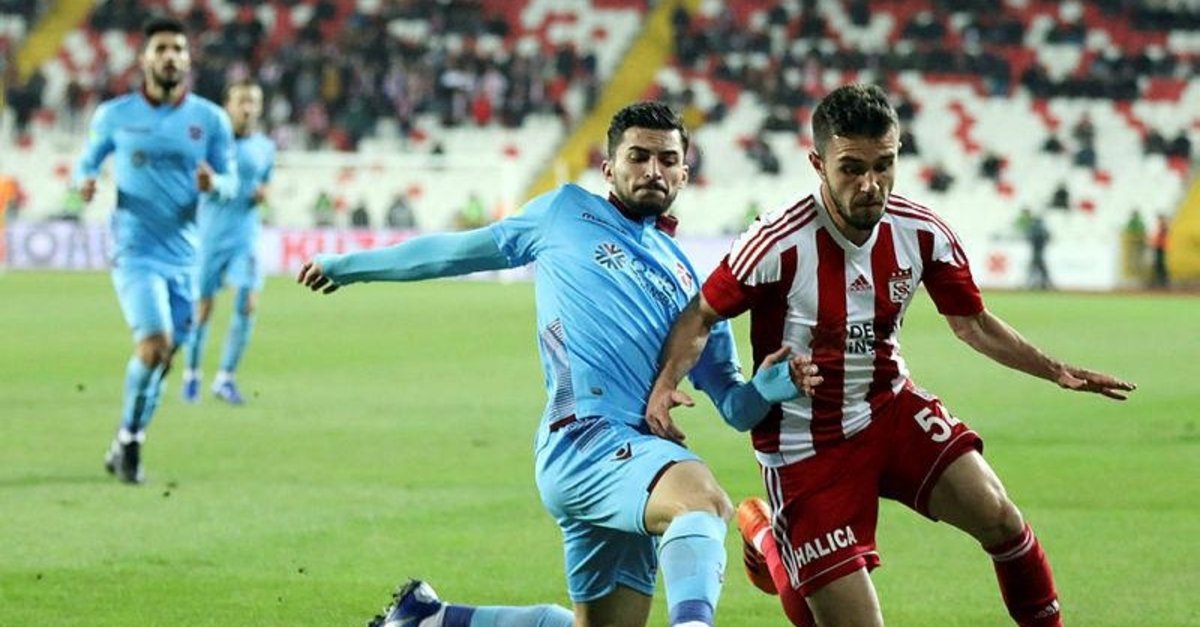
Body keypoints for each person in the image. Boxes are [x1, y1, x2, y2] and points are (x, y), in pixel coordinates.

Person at [299, 102, 807, 627]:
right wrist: (349, 266)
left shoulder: (691, 287)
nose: (652, 170)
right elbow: (457, 252)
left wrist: (768, 387)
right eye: (638, 157)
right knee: (704, 501)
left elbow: (735, 407)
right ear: (609, 168)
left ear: (684, 173)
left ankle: (431, 618)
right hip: (583, 437)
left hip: (635, 459)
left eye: (667, 159)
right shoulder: (565, 212)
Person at [646, 84, 1136, 627]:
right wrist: (667, 383)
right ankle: (766, 535)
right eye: (852, 168)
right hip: (806, 444)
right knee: (825, 616)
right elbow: (700, 315)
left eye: (884, 165)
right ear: (818, 164)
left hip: (890, 410)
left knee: (1002, 519)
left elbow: (972, 324)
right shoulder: (777, 241)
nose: (870, 184)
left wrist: (1055, 370)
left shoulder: (921, 232)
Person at [74, 16, 237, 484]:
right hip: (136, 252)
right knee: (153, 347)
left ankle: (128, 437)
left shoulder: (210, 120)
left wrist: (215, 184)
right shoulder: (114, 115)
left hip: (187, 257)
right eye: (161, 48)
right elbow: (85, 164)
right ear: (144, 57)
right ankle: (130, 443)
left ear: (188, 59)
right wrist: (85, 182)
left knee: (163, 360)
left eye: (178, 49)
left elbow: (232, 181)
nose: (170, 57)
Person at [182, 79, 275, 405]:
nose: (248, 108)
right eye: (241, 101)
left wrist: (264, 193)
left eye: (253, 102)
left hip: (245, 236)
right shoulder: (210, 144)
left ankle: (225, 378)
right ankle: (192, 373)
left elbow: (266, 181)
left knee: (248, 302)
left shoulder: (265, 147)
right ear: (227, 106)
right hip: (208, 236)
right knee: (202, 309)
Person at [1019, 207, 1052, 290]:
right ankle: (1044, 284)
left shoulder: (1034, 229)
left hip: (1036, 253)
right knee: (1041, 270)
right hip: (1039, 252)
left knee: (1034, 269)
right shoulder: (1043, 229)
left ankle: (1032, 284)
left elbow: (1029, 237)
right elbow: (1048, 237)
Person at [1150, 213, 1170, 288]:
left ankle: (1163, 281)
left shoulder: (1163, 227)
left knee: (1160, 264)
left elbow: (1162, 236)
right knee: (1158, 264)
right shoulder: (1161, 227)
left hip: (1161, 247)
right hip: (1158, 247)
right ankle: (1160, 281)